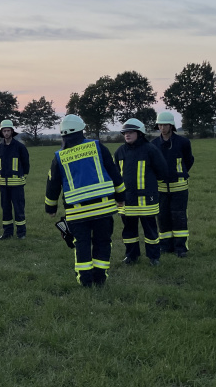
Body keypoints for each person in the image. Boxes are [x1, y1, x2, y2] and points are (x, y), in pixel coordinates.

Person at [45, 114, 125, 287]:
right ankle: (100, 278)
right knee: (102, 242)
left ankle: (85, 281)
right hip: (103, 208)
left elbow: (53, 184)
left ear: (63, 134)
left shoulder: (60, 156)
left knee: (81, 244)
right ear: (82, 129)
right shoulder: (98, 147)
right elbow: (114, 173)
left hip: (76, 212)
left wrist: (50, 208)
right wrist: (121, 197)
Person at [114, 118, 169, 266]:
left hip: (147, 200)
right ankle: (131, 256)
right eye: (125, 132)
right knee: (129, 232)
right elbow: (115, 175)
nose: (127, 135)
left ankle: (154, 257)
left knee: (150, 231)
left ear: (140, 133)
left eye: (130, 132)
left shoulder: (150, 150)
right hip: (127, 200)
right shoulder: (120, 151)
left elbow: (162, 171)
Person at [151, 111, 194, 258]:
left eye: (165, 125)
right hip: (161, 188)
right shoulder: (154, 144)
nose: (162, 128)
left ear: (172, 126)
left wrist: (179, 173)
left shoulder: (183, 142)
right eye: (160, 125)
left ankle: (181, 248)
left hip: (180, 188)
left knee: (179, 217)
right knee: (162, 217)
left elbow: (189, 161)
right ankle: (165, 246)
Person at [0, 119, 30, 240]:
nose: (6, 133)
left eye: (8, 130)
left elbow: (26, 164)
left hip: (17, 185)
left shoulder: (20, 147)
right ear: (1, 132)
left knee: (19, 208)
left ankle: (21, 233)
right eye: (4, 131)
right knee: (5, 209)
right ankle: (7, 233)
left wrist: (22, 177)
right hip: (3, 185)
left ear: (12, 131)